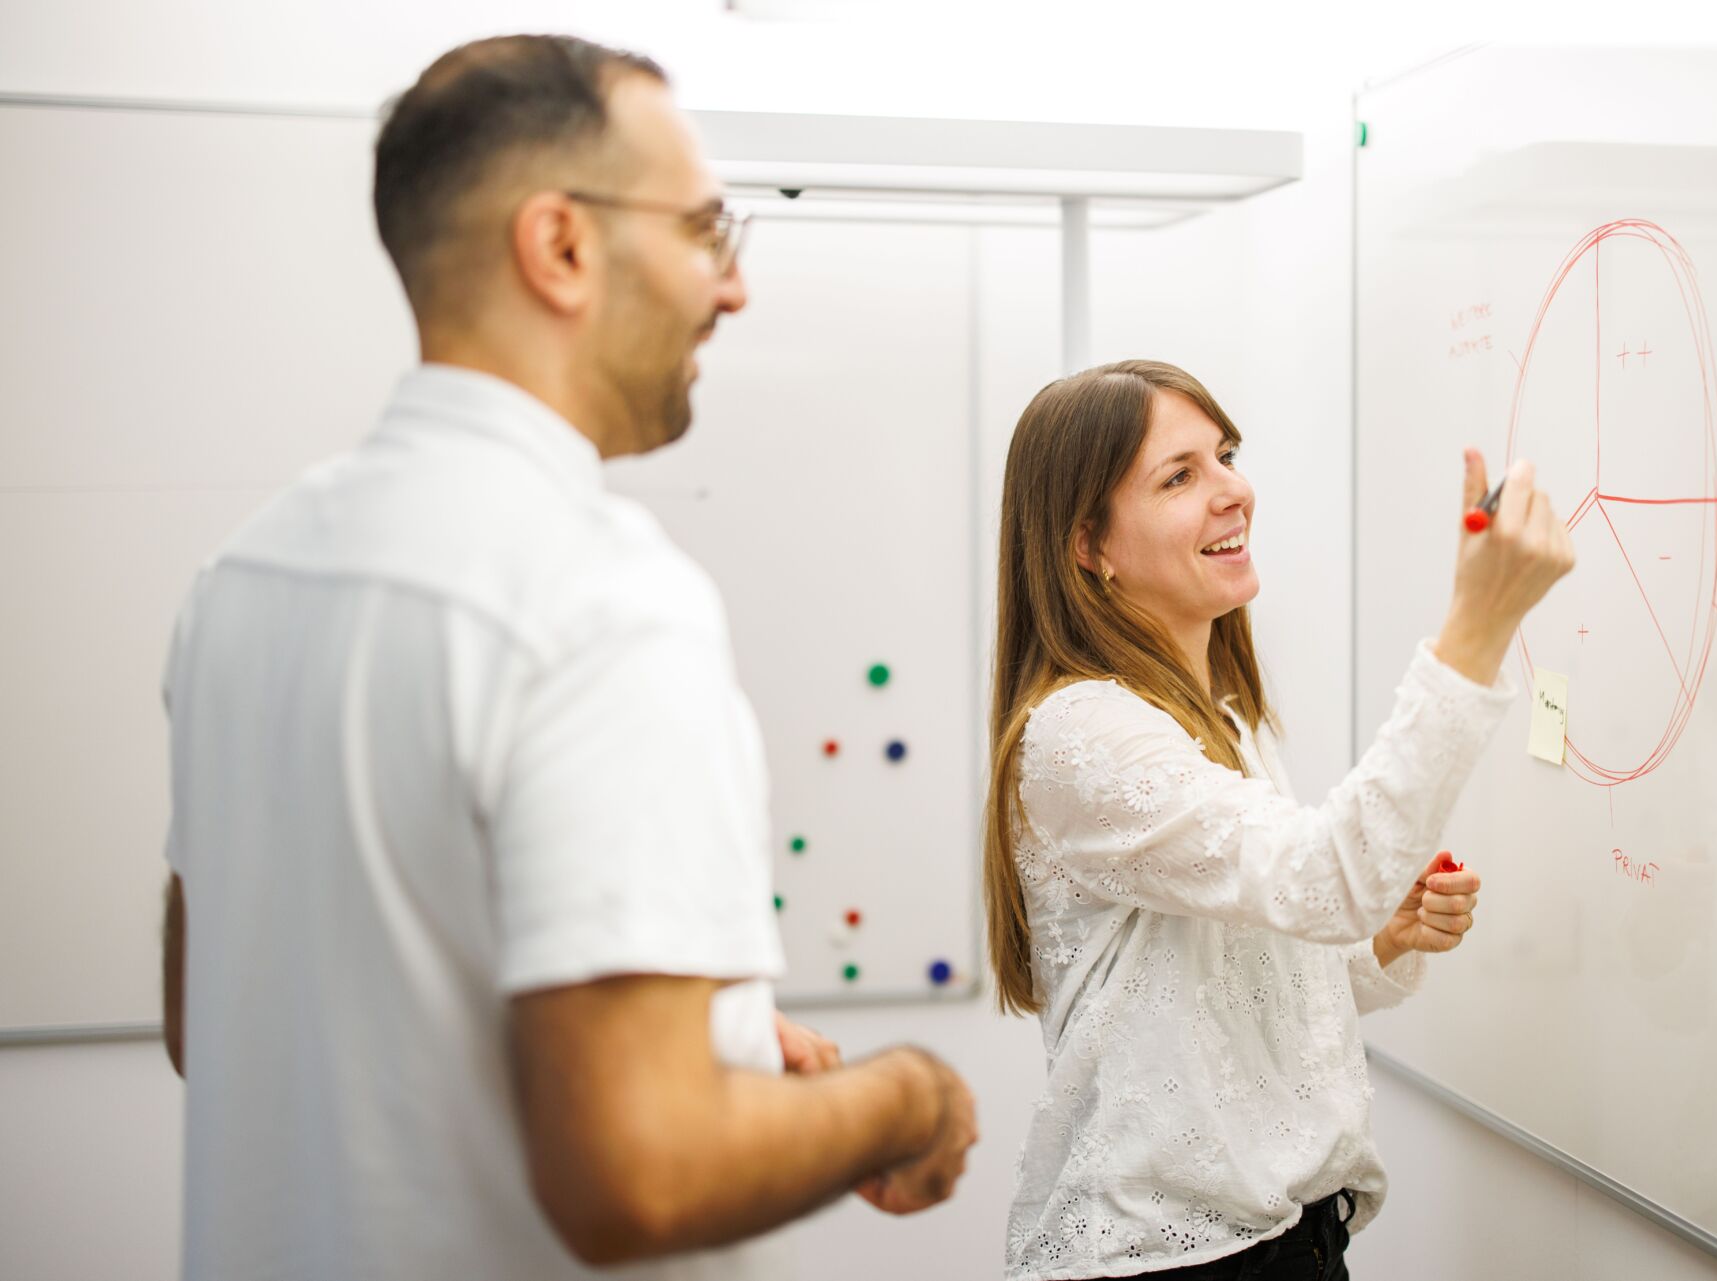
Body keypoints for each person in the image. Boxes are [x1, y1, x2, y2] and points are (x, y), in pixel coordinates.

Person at [159, 34, 975, 1280]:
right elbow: (638, 1177)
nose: (733, 289)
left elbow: (216, 1019)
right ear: (561, 246)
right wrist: (908, 1097)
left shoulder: (243, 580)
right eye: (704, 230)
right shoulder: (599, 602)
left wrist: (713, 1042)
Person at [984, 360, 1574, 1280]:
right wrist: (1478, 628)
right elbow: (1326, 879)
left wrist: (1377, 939)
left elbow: (1248, 979)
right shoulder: (1082, 733)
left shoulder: (1220, 719)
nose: (1233, 490)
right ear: (1089, 546)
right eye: (1179, 476)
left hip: (1287, 1243)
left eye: (1225, 455)